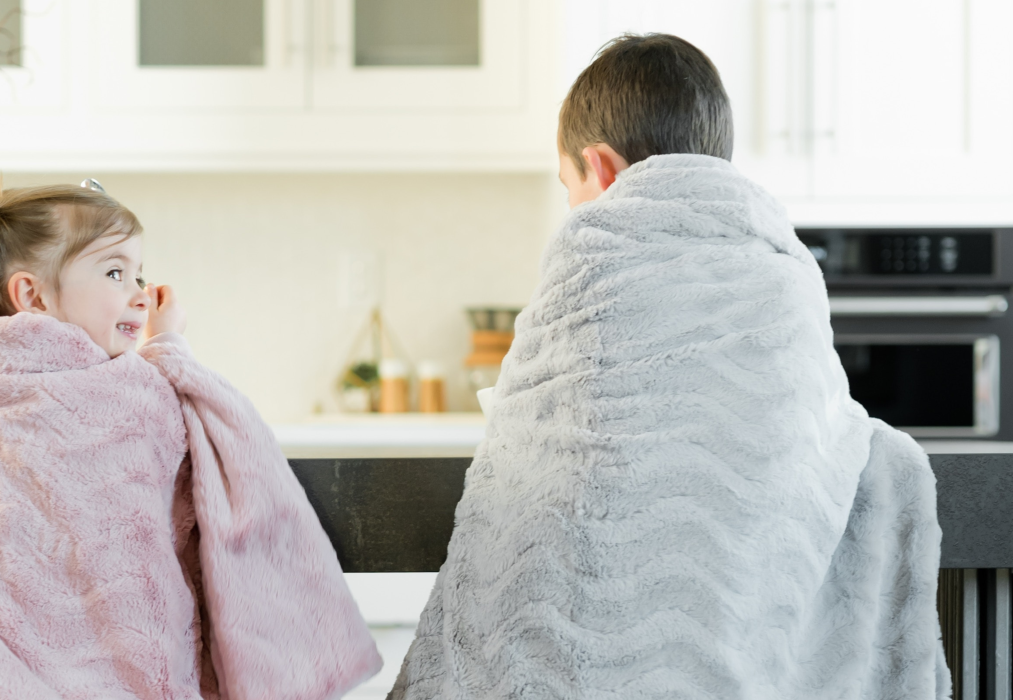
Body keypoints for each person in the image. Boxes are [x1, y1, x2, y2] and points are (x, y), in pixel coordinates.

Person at [390, 34, 949, 699]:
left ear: (598, 169)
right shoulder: (784, 269)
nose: (573, 209)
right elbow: (822, 424)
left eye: (569, 187)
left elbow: (539, 428)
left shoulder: (591, 254)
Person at [0, 172, 380, 699]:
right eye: (115, 273)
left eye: (138, 273)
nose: (139, 292)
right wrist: (170, 349)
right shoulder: (145, 397)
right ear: (31, 295)